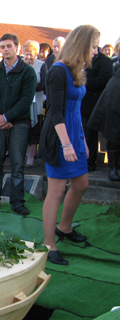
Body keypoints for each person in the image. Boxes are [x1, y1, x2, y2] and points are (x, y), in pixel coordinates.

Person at [39, 25, 100, 266]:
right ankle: (48, 243)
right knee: (56, 191)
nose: (96, 51)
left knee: (81, 183)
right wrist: (66, 144)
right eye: (93, 46)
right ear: (82, 45)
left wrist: (81, 139)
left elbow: (76, 110)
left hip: (74, 132)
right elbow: (55, 111)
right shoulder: (58, 70)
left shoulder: (78, 70)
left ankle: (64, 227)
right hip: (59, 135)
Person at [0, 33, 36, 216]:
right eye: (2, 47)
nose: (5, 50)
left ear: (17, 48)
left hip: (18, 123)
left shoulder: (27, 72)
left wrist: (8, 117)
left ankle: (18, 202)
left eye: (9, 46)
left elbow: (26, 99)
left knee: (17, 164)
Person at [81, 45, 113, 171]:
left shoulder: (105, 62)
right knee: (84, 133)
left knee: (90, 134)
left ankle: (90, 162)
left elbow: (105, 80)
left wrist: (85, 81)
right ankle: (83, 160)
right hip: (81, 103)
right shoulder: (79, 58)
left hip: (95, 103)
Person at [88, 68, 120, 180]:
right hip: (115, 94)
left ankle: (114, 168)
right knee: (114, 132)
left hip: (115, 91)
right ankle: (113, 169)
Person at [23, 40, 47, 168]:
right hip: (22, 103)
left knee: (33, 130)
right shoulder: (20, 65)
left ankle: (31, 157)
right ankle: (21, 155)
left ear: (36, 53)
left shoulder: (41, 65)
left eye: (31, 54)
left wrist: (31, 87)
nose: (28, 57)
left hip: (36, 102)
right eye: (26, 54)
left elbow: (44, 83)